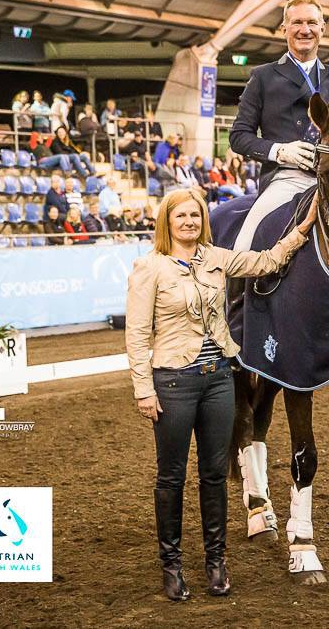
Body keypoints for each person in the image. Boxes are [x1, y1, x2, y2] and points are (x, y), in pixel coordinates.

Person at [125, 188, 318, 601]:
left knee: (214, 476)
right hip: (173, 382)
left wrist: (302, 229)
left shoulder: (216, 257)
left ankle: (216, 562)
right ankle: (171, 565)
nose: (190, 223)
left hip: (218, 381)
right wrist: (144, 389)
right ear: (168, 223)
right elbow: (138, 335)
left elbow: (265, 261)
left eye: (195, 216)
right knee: (171, 478)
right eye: (181, 217)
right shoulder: (149, 268)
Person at [229, 0, 329, 252]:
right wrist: (280, 151)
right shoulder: (263, 77)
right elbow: (239, 136)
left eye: (311, 23)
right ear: (284, 28)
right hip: (287, 178)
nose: (304, 30)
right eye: (297, 23)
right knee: (243, 248)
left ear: (322, 28)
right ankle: (236, 293)